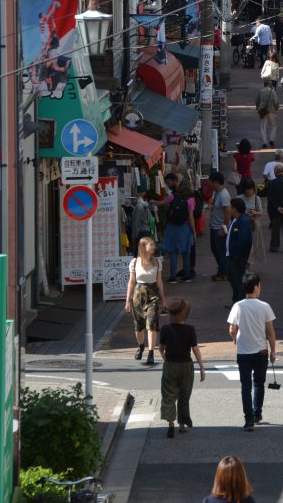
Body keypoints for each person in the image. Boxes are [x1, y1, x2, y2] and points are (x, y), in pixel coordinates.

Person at [227, 273, 277, 431]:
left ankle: (248, 419)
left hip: (243, 352)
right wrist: (273, 351)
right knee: (259, 384)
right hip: (261, 351)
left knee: (245, 386)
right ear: (255, 287)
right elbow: (270, 332)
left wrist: (235, 339)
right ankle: (257, 413)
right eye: (259, 285)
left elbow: (232, 328)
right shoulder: (264, 306)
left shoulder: (238, 306)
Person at [159, 298, 205, 438]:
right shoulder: (190, 329)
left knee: (168, 394)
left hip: (170, 365)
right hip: (186, 365)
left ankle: (170, 422)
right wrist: (202, 367)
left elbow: (161, 349)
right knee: (184, 395)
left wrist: (165, 357)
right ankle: (182, 425)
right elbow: (195, 349)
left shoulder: (165, 329)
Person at [125, 237, 167, 365]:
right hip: (139, 294)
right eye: (151, 245)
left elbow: (159, 281)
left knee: (152, 323)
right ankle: (141, 346)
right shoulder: (135, 262)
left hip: (153, 293)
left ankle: (151, 353)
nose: (153, 247)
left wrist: (163, 298)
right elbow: (132, 281)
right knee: (139, 325)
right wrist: (128, 300)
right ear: (143, 247)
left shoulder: (157, 262)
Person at [160, 182, 196, 284]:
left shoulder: (172, 197)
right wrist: (194, 232)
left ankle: (172, 277)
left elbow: (162, 202)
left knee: (173, 253)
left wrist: (153, 202)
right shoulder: (190, 201)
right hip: (184, 228)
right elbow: (191, 217)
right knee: (186, 253)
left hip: (172, 228)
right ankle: (186, 276)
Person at [226, 198, 253, 304]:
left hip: (237, 258)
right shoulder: (236, 220)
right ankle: (236, 300)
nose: (229, 208)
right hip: (232, 256)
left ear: (235, 209)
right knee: (232, 278)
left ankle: (240, 303)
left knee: (238, 280)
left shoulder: (243, 222)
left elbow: (243, 241)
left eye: (230, 206)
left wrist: (236, 255)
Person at [208, 171, 233, 283]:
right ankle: (222, 269)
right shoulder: (217, 193)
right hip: (215, 227)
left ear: (216, 182)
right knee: (215, 250)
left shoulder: (224, 195)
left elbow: (227, 212)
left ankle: (224, 272)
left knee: (221, 251)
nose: (209, 185)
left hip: (219, 228)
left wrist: (224, 228)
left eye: (211, 182)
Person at [237, 179, 266, 265]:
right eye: (247, 189)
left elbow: (260, 213)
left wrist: (254, 212)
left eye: (251, 189)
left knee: (253, 245)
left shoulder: (256, 199)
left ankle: (248, 264)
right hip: (241, 225)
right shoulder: (239, 198)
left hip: (253, 225)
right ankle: (244, 263)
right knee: (242, 245)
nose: (249, 191)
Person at [255, 80, 280, 149]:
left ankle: (264, 142)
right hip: (271, 111)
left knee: (263, 127)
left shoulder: (261, 91)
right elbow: (276, 102)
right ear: (270, 85)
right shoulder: (273, 92)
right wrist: (276, 108)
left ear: (264, 84)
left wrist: (258, 108)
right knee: (273, 125)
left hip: (263, 111)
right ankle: (271, 139)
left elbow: (257, 101)